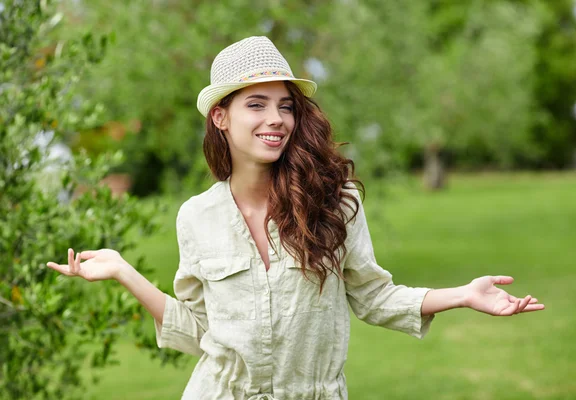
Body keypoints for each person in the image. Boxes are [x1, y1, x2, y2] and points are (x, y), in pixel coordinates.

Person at [46, 36, 545, 400]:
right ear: (221, 117)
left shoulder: (335, 199)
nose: (276, 119)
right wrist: (124, 271)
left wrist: (462, 295)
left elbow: (372, 296)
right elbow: (201, 332)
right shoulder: (196, 216)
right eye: (256, 104)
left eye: (285, 106)